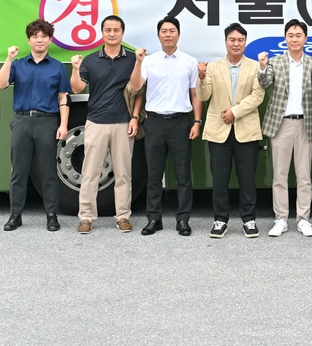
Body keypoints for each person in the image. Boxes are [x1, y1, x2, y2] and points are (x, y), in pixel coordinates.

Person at [0, 19, 70, 232]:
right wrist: (8, 59)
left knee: (48, 171)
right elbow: (0, 84)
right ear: (29, 40)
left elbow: (63, 98)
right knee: (19, 170)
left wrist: (63, 125)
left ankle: (52, 215)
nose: (40, 40)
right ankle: (15, 215)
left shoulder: (57, 67)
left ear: (49, 40)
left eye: (44, 36)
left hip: (47, 121)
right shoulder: (18, 64)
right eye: (35, 36)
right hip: (21, 120)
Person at [130, 16, 202, 236]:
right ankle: (154, 219)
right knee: (154, 174)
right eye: (164, 31)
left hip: (181, 122)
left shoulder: (189, 61)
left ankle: (183, 220)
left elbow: (195, 93)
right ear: (158, 35)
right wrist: (138, 62)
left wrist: (197, 121)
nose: (168, 34)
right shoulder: (149, 61)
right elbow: (136, 88)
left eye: (172, 30)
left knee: (183, 175)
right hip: (155, 122)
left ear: (178, 34)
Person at [68, 14, 138, 235]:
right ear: (102, 33)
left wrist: (135, 117)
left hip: (123, 122)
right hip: (96, 122)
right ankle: (86, 217)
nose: (112, 34)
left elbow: (137, 89)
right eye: (108, 30)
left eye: (116, 30)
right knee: (90, 172)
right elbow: (77, 88)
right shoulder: (90, 60)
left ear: (122, 33)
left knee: (123, 173)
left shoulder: (131, 59)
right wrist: (76, 68)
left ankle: (123, 216)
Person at [257, 18, 312, 237]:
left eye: (298, 35)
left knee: (304, 176)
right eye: (290, 35)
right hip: (282, 123)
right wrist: (261, 66)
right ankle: (281, 219)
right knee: (280, 174)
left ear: (305, 38)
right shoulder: (276, 62)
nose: (294, 39)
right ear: (285, 38)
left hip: (306, 122)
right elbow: (265, 83)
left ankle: (303, 219)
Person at [198, 23, 266, 239]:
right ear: (226, 42)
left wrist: (235, 112)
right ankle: (220, 220)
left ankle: (249, 219)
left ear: (245, 42)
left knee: (247, 178)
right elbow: (204, 96)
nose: (236, 44)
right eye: (232, 40)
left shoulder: (255, 67)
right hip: (219, 130)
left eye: (240, 40)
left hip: (246, 129)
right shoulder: (213, 67)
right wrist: (200, 78)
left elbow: (258, 96)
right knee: (219, 178)